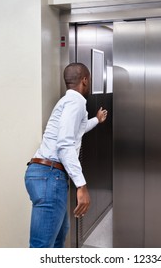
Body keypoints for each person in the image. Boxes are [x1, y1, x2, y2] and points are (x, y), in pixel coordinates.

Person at [24, 63, 107, 248]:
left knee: (58, 241)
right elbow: (64, 143)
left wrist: (96, 119)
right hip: (49, 176)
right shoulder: (75, 102)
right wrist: (81, 185)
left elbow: (77, 130)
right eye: (90, 79)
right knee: (42, 248)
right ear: (84, 80)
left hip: (46, 174)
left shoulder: (68, 102)